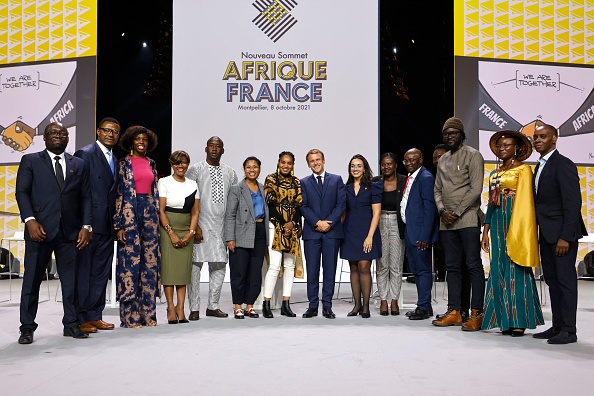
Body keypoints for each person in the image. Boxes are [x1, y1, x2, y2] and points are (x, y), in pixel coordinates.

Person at [16, 122, 92, 344]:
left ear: (68, 138)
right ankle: (27, 327)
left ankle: (71, 324)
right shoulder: (30, 161)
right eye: (53, 133)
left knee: (71, 282)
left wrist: (86, 226)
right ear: (45, 137)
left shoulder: (78, 164)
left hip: (70, 232)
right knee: (31, 281)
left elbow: (86, 196)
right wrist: (30, 220)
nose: (59, 136)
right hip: (39, 230)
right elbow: (22, 191)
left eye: (63, 133)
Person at [481, 130, 544, 336]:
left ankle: (519, 319)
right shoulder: (494, 174)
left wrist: (522, 230)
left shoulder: (524, 170)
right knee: (498, 269)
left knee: (516, 269)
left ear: (516, 148)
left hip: (516, 222)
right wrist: (485, 231)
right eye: (499, 146)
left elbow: (526, 202)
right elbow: (491, 204)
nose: (502, 148)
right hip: (498, 223)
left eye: (506, 145)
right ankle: (503, 320)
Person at [532, 123, 587, 344]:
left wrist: (566, 236)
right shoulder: (540, 165)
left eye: (543, 137)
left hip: (562, 236)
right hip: (546, 234)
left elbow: (573, 202)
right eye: (535, 137)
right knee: (552, 281)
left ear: (554, 139)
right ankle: (557, 326)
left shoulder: (562, 164)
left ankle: (569, 330)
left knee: (565, 282)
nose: (537, 140)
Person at [433, 117, 485, 331]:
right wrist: (443, 211)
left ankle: (477, 312)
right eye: (446, 133)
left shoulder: (473, 155)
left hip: (468, 218)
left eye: (454, 133)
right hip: (447, 222)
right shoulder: (443, 159)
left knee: (473, 265)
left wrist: (457, 211)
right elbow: (437, 190)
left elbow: (475, 189)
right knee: (452, 267)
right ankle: (454, 311)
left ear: (462, 135)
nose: (450, 136)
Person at [74, 117, 120, 333]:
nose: (111, 134)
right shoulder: (86, 153)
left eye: (115, 132)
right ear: (98, 131)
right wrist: (85, 224)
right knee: (84, 272)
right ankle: (81, 317)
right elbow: (79, 192)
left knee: (101, 273)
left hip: (108, 224)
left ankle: (95, 315)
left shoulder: (115, 158)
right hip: (90, 225)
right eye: (107, 130)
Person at [186, 136, 238, 320]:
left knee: (219, 265)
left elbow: (233, 203)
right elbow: (189, 198)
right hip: (200, 224)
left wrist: (231, 230)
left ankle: (213, 306)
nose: (214, 149)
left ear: (223, 150)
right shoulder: (195, 170)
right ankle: (193, 307)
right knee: (194, 266)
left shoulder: (230, 172)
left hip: (221, 225)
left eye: (218, 146)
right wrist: (195, 225)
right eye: (211, 146)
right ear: (205, 149)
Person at [113, 126, 160, 328]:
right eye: (137, 139)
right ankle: (130, 317)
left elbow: (155, 191)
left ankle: (148, 314)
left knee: (150, 266)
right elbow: (118, 194)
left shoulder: (152, 163)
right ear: (131, 142)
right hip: (129, 215)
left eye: (145, 139)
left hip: (150, 215)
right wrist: (119, 224)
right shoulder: (123, 163)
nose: (141, 142)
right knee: (129, 267)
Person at [300, 149, 346, 319]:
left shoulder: (336, 179)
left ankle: (327, 305)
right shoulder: (303, 182)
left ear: (324, 161)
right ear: (308, 164)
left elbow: (341, 204)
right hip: (312, 233)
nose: (315, 163)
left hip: (331, 232)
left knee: (329, 270)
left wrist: (328, 223)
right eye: (312, 161)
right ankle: (312, 306)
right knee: (312, 271)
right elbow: (303, 206)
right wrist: (317, 222)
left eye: (318, 159)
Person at [224, 157, 269, 319]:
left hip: (260, 231)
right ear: (244, 169)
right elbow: (230, 215)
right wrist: (230, 237)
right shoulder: (237, 189)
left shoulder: (263, 188)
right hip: (241, 232)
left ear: (259, 169)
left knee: (255, 272)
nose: (252, 170)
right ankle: (238, 306)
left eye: (255, 167)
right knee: (239, 271)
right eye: (249, 167)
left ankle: (250, 305)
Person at [158, 151, 199, 324]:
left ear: (188, 164)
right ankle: (170, 307)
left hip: (187, 227)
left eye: (183, 163)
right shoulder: (164, 181)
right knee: (169, 271)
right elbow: (161, 210)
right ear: (172, 165)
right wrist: (171, 233)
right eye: (177, 163)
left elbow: (195, 212)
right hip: (168, 227)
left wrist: (191, 233)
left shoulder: (193, 184)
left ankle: (181, 308)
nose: (180, 166)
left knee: (182, 271)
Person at [262, 151, 303, 318]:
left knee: (289, 266)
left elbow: (299, 205)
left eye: (289, 163)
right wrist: (283, 223)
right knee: (274, 265)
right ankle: (267, 304)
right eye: (283, 162)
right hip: (275, 226)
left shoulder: (297, 182)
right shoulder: (270, 179)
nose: (286, 165)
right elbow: (270, 203)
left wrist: (292, 223)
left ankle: (286, 304)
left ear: (293, 165)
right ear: (278, 163)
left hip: (291, 227)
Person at [341, 154, 382, 318]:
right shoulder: (346, 187)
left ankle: (366, 306)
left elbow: (377, 212)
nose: (355, 168)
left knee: (364, 266)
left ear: (364, 168)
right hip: (350, 230)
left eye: (358, 165)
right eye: (352, 166)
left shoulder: (373, 186)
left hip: (367, 230)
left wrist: (370, 236)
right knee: (353, 267)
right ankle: (356, 305)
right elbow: (343, 211)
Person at [401, 149, 438, 320]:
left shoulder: (425, 178)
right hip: (411, 231)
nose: (409, 163)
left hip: (420, 234)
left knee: (422, 271)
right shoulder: (412, 177)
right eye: (406, 160)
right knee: (416, 271)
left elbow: (430, 209)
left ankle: (423, 307)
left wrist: (424, 236)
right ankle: (424, 305)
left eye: (412, 160)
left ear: (421, 160)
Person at [375, 152, 405, 316]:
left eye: (389, 164)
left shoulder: (403, 180)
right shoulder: (375, 182)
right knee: (381, 264)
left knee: (396, 263)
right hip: (379, 222)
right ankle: (383, 300)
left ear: (395, 165)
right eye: (383, 164)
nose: (386, 167)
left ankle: (394, 299)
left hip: (397, 221)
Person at [431, 144, 447, 282]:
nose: (437, 160)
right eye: (435, 158)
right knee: (440, 248)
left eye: (440, 157)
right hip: (439, 219)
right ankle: (440, 274)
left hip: (458, 218)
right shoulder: (433, 177)